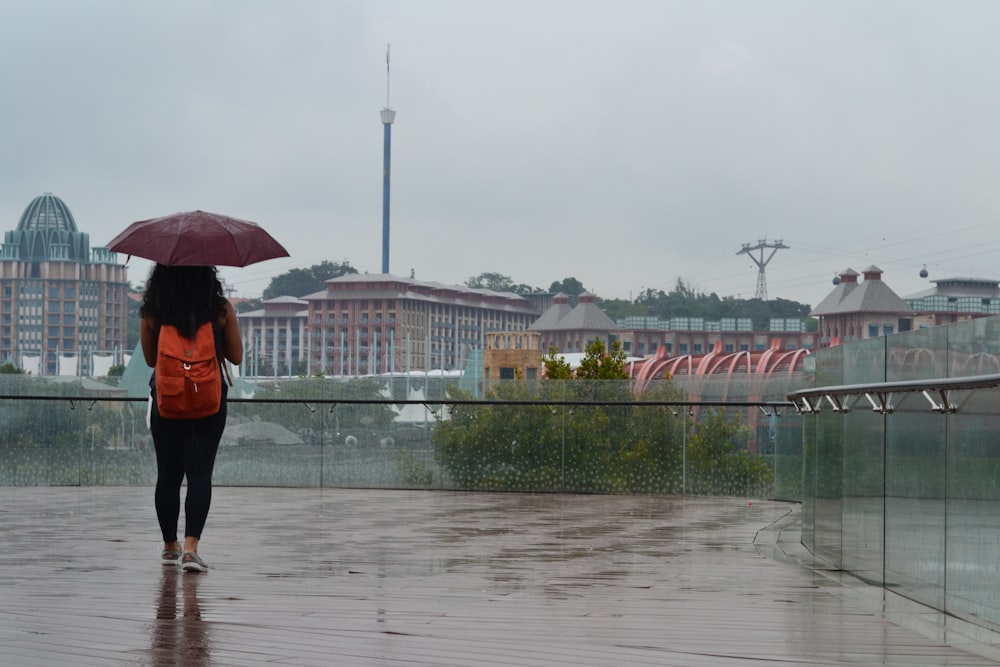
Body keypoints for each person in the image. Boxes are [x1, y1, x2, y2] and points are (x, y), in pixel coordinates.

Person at [140, 264, 243, 573]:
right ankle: (191, 549)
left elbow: (149, 360)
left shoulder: (153, 311)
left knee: (168, 476)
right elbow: (236, 357)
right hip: (208, 401)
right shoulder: (221, 309)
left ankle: (170, 546)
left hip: (167, 400)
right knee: (199, 475)